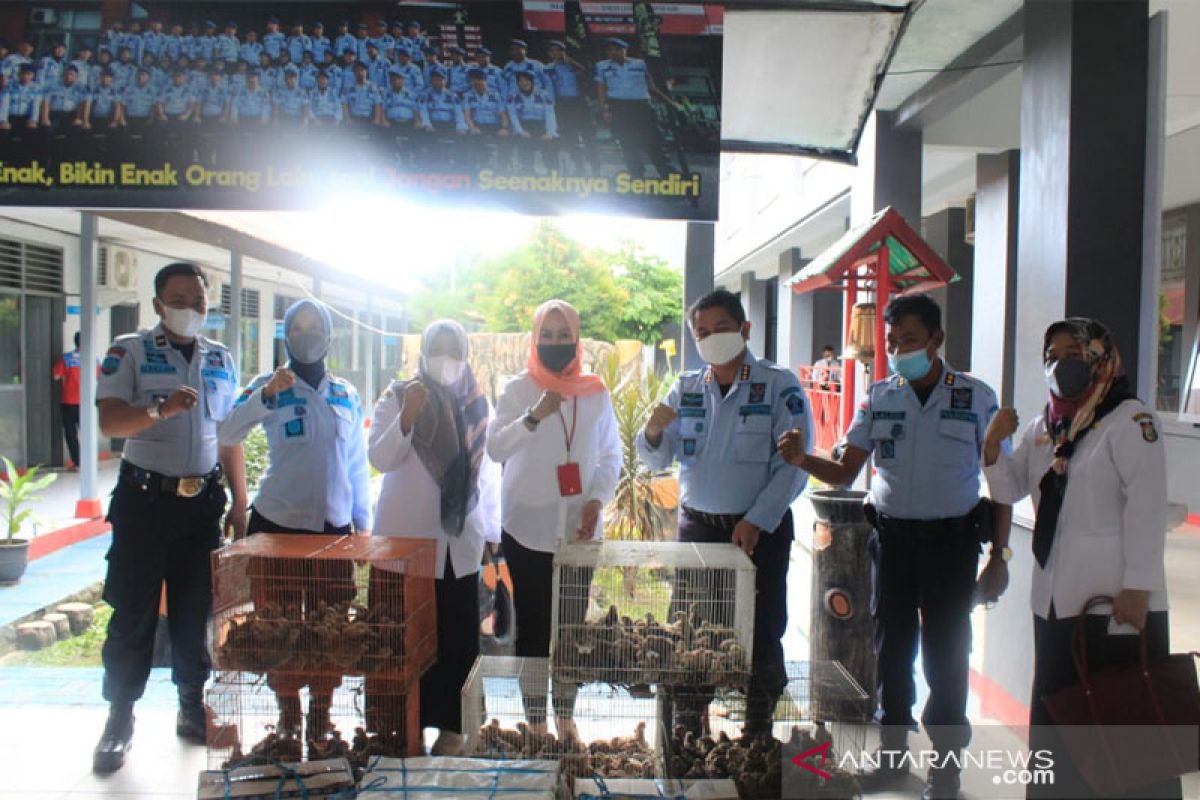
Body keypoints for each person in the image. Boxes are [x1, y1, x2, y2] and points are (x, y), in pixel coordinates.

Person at [777, 293, 1010, 800]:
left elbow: (1004, 480)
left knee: (948, 655)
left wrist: (1000, 556)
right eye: (892, 341)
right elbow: (844, 470)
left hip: (953, 546)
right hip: (894, 543)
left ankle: (945, 771)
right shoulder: (881, 397)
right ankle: (891, 758)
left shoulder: (976, 397)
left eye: (909, 340)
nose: (900, 349)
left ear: (936, 340)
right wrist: (802, 459)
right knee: (892, 650)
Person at [982, 318, 1176, 800]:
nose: (1059, 364)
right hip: (1054, 600)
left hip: (1117, 603)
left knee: (1121, 717)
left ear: (1099, 358)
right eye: (1051, 354)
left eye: (1073, 353)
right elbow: (1009, 487)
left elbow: (1148, 505)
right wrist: (991, 444)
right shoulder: (1045, 427)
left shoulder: (1128, 420)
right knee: (1058, 712)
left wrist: (1138, 585)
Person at [92, 262, 247, 774]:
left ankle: (190, 706)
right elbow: (111, 419)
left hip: (200, 506)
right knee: (133, 610)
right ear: (158, 303)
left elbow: (230, 437)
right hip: (145, 503)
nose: (191, 310)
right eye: (180, 299)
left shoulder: (221, 359)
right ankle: (119, 719)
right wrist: (160, 411)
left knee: (194, 611)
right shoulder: (130, 350)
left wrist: (240, 503)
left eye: (199, 302)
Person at [638, 288, 811, 734]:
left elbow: (793, 468)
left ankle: (757, 733)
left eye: (721, 329)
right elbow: (658, 459)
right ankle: (689, 732)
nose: (711, 338)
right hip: (697, 530)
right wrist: (654, 433)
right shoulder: (686, 388)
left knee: (761, 629)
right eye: (702, 333)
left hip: (758, 531)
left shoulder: (779, 386)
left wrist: (757, 519)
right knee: (691, 630)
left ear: (744, 329)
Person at [217, 298, 371, 741]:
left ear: (329, 335)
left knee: (330, 628)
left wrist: (364, 523)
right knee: (278, 626)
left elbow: (356, 463)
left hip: (333, 531)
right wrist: (264, 398)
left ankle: (321, 716)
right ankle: (288, 717)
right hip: (278, 526)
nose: (306, 336)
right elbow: (227, 433)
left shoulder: (346, 392)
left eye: (314, 328)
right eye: (296, 329)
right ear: (285, 335)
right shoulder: (268, 385)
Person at [486, 299, 621, 738]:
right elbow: (495, 450)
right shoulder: (516, 390)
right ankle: (537, 721)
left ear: (577, 339)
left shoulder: (596, 392)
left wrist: (596, 501)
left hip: (579, 531)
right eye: (548, 335)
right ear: (535, 337)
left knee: (570, 630)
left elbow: (609, 455)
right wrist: (533, 417)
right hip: (527, 528)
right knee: (533, 629)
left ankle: (565, 716)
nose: (556, 343)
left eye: (565, 336)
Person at [369, 319, 501, 756]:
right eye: (438, 348)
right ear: (423, 353)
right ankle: (398, 729)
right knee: (399, 638)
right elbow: (381, 457)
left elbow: (489, 474)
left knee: (455, 640)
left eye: (454, 349)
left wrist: (492, 532)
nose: (446, 358)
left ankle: (452, 729)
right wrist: (409, 415)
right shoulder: (397, 395)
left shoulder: (477, 406)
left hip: (457, 545)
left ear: (466, 356)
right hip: (405, 544)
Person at [594, 37, 673, 177]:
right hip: (618, 107)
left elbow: (651, 86)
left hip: (641, 106)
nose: (614, 52)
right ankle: (637, 175)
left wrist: (669, 100)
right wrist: (604, 109)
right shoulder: (602, 66)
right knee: (627, 142)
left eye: (618, 49)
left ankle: (668, 173)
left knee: (654, 140)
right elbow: (601, 88)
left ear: (625, 50)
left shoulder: (640, 64)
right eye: (610, 50)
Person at [546, 40, 593, 173]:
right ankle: (578, 165)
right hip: (562, 104)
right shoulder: (549, 68)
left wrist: (569, 61)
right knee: (570, 136)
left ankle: (595, 164)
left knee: (587, 134)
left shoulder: (573, 65)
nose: (556, 53)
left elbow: (585, 73)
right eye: (553, 50)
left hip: (579, 102)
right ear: (550, 54)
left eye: (559, 50)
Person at [508, 72, 557, 172]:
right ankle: (527, 172)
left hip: (541, 125)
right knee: (524, 145)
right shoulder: (513, 96)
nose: (524, 83)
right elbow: (513, 115)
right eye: (520, 81)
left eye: (526, 80)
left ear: (532, 82)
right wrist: (520, 131)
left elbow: (550, 114)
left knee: (550, 145)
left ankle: (553, 173)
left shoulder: (544, 94)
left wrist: (549, 132)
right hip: (523, 126)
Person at [53, 332, 85, 468]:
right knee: (87, 431)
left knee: (71, 433)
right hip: (86, 402)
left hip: (69, 401)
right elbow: (99, 376)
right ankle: (88, 459)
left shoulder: (66, 358)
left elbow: (56, 376)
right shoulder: (92, 359)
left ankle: (77, 461)